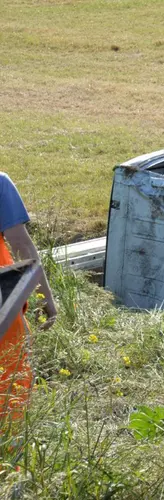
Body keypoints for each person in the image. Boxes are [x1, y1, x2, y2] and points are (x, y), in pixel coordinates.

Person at [0, 172, 57, 421]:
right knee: (9, 385)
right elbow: (21, 244)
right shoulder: (0, 183)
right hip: (2, 308)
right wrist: (46, 297)